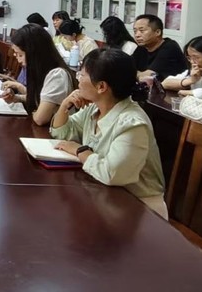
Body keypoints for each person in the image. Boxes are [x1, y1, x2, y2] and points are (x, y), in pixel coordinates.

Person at [50, 48, 167, 219]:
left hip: (140, 209)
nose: (78, 79)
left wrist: (80, 150)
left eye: (82, 75)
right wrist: (64, 106)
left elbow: (112, 174)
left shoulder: (132, 123)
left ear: (101, 86)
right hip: (104, 196)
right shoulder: (94, 108)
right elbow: (62, 135)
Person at [2, 24, 75, 126]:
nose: (18, 60)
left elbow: (40, 119)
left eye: (20, 55)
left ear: (34, 53)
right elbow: (39, 99)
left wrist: (35, 111)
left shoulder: (57, 75)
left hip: (54, 132)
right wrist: (16, 98)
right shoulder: (40, 70)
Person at [131, 14, 186, 81]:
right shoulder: (142, 47)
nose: (137, 35)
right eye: (135, 31)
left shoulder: (170, 47)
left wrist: (136, 74)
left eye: (142, 31)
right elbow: (126, 68)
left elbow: (148, 76)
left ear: (157, 32)